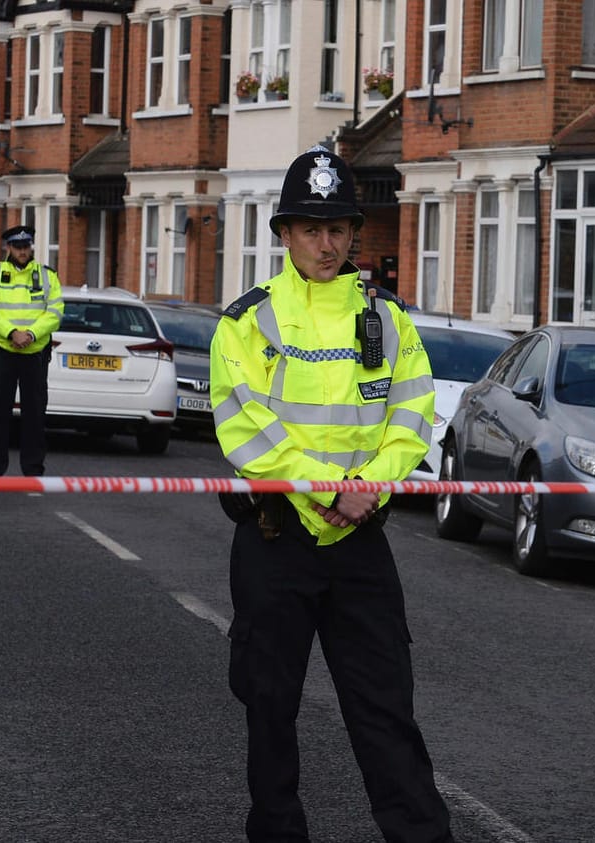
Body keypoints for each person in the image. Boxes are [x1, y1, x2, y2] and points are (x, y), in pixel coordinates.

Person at [210, 145, 455, 843]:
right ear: (284, 233)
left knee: (386, 710)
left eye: (339, 228)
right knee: (270, 706)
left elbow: (413, 413)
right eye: (311, 229)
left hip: (360, 539)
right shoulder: (248, 320)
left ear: (354, 233)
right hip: (276, 536)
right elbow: (242, 425)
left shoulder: (386, 318)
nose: (327, 243)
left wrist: (371, 487)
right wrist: (320, 491)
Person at [0, 224, 63, 477]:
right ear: (8, 247)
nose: (23, 252)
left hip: (34, 354)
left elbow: (55, 313)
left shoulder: (48, 276)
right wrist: (12, 333)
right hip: (3, 351)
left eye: (26, 247)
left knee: (35, 417)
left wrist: (31, 334)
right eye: (18, 247)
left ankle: (33, 471)